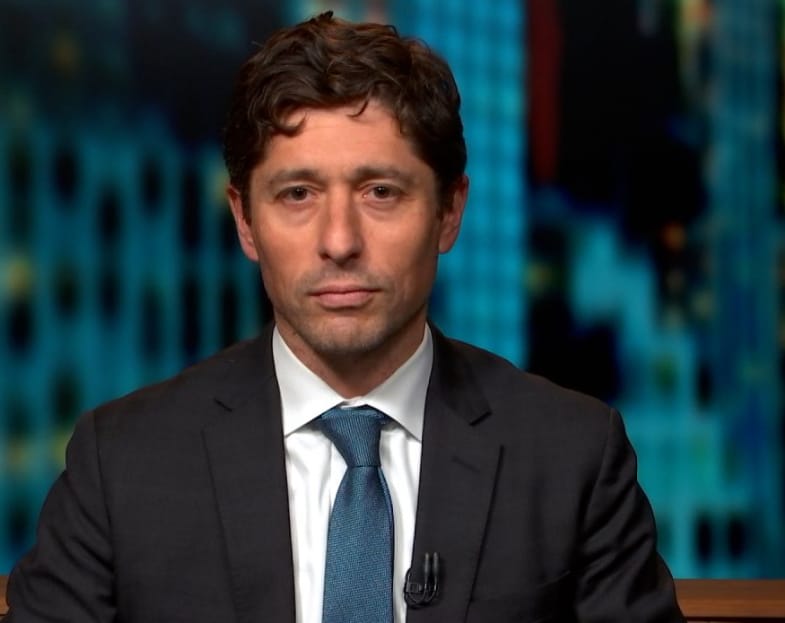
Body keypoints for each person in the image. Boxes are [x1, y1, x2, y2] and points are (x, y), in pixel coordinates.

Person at [5, 12, 684, 623]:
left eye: (380, 191)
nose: (338, 240)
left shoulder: (573, 455)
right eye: (297, 194)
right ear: (245, 221)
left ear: (449, 211)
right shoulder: (121, 462)